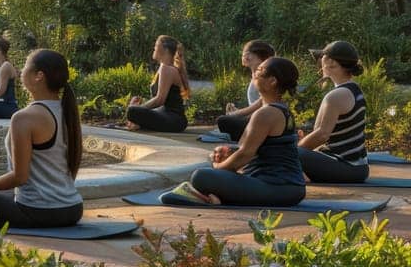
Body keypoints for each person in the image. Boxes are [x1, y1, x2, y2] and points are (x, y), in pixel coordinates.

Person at [0, 48, 84, 229]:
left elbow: (20, 177)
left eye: (26, 67)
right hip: (73, 209)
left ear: (39, 76)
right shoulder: (67, 111)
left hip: (38, 212)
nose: (20, 71)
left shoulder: (24, 118)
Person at [166, 57, 305, 207]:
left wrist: (218, 168)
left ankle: (212, 197)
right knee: (201, 177)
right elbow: (250, 149)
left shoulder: (267, 113)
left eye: (260, 71)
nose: (255, 74)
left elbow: (245, 154)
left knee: (201, 176)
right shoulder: (279, 109)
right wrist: (228, 152)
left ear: (272, 81)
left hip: (277, 187)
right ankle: (214, 197)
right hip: (287, 188)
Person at [298, 41, 370, 184]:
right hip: (357, 167)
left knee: (281, 153)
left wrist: (293, 151)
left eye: (322, 57)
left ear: (331, 63)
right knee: (289, 150)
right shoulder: (354, 89)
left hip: (346, 167)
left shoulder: (337, 95)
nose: (319, 62)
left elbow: (322, 135)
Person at [124, 35, 189, 133]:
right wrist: (140, 107)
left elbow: (160, 100)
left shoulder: (167, 69)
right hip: (167, 116)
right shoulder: (164, 68)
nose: (154, 48)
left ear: (165, 50)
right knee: (134, 110)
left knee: (132, 111)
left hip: (174, 119)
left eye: (156, 45)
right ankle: (136, 123)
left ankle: (136, 123)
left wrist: (139, 108)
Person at [214, 40, 276, 141]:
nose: (243, 56)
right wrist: (238, 112)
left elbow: (262, 103)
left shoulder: (264, 75)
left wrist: (237, 114)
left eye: (246, 53)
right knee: (225, 120)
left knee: (223, 120)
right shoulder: (256, 74)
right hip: (257, 117)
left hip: (263, 120)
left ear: (258, 56)